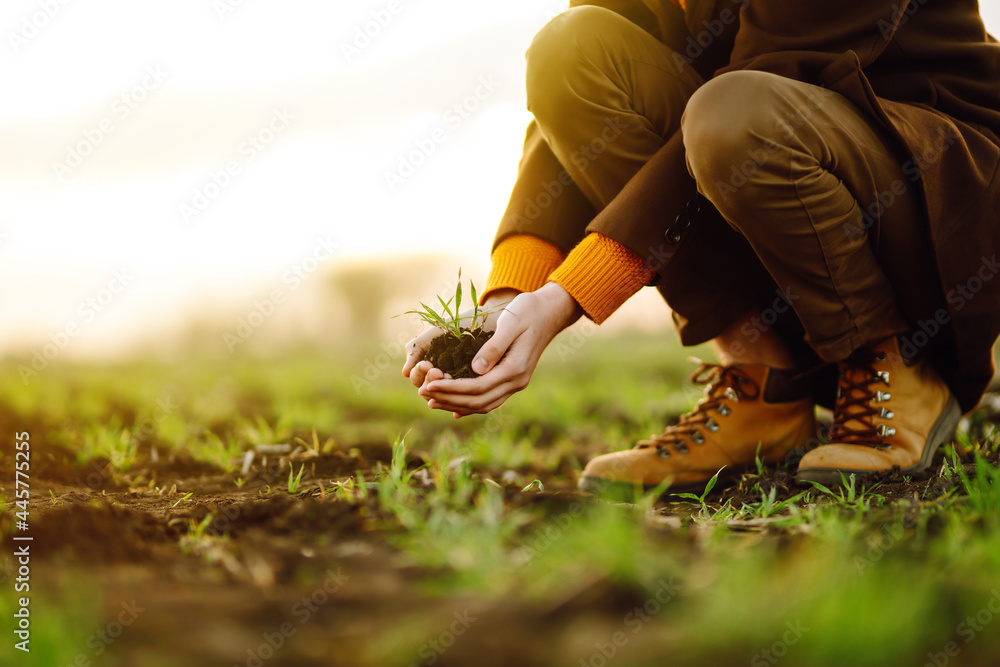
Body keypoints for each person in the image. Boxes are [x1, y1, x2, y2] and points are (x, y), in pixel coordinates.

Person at [402, 0, 1000, 499]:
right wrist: (511, 294)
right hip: (764, 157)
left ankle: (893, 362)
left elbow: (771, 86)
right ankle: (763, 383)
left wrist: (566, 298)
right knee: (570, 50)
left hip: (930, 185)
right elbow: (569, 117)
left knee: (733, 117)